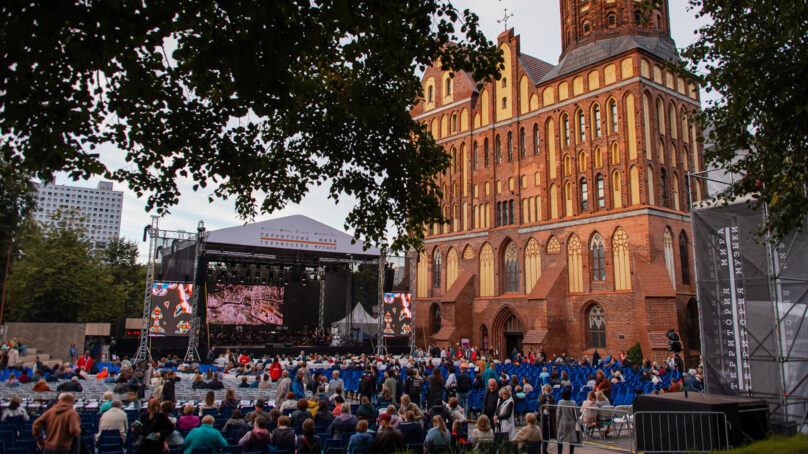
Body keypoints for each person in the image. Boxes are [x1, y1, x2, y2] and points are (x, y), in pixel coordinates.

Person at [556, 388, 581, 454]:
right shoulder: (573, 403)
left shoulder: (560, 402)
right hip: (571, 422)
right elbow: (577, 413)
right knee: (571, 439)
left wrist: (557, 423)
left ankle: (559, 452)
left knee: (560, 439)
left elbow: (558, 414)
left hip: (562, 422)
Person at [537, 384, 556, 454]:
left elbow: (554, 407)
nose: (547, 392)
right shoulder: (540, 396)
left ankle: (545, 448)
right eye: (546, 390)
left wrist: (548, 408)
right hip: (542, 416)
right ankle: (539, 449)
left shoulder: (552, 398)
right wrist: (544, 397)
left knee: (547, 434)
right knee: (541, 433)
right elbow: (540, 403)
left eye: (548, 391)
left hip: (549, 416)